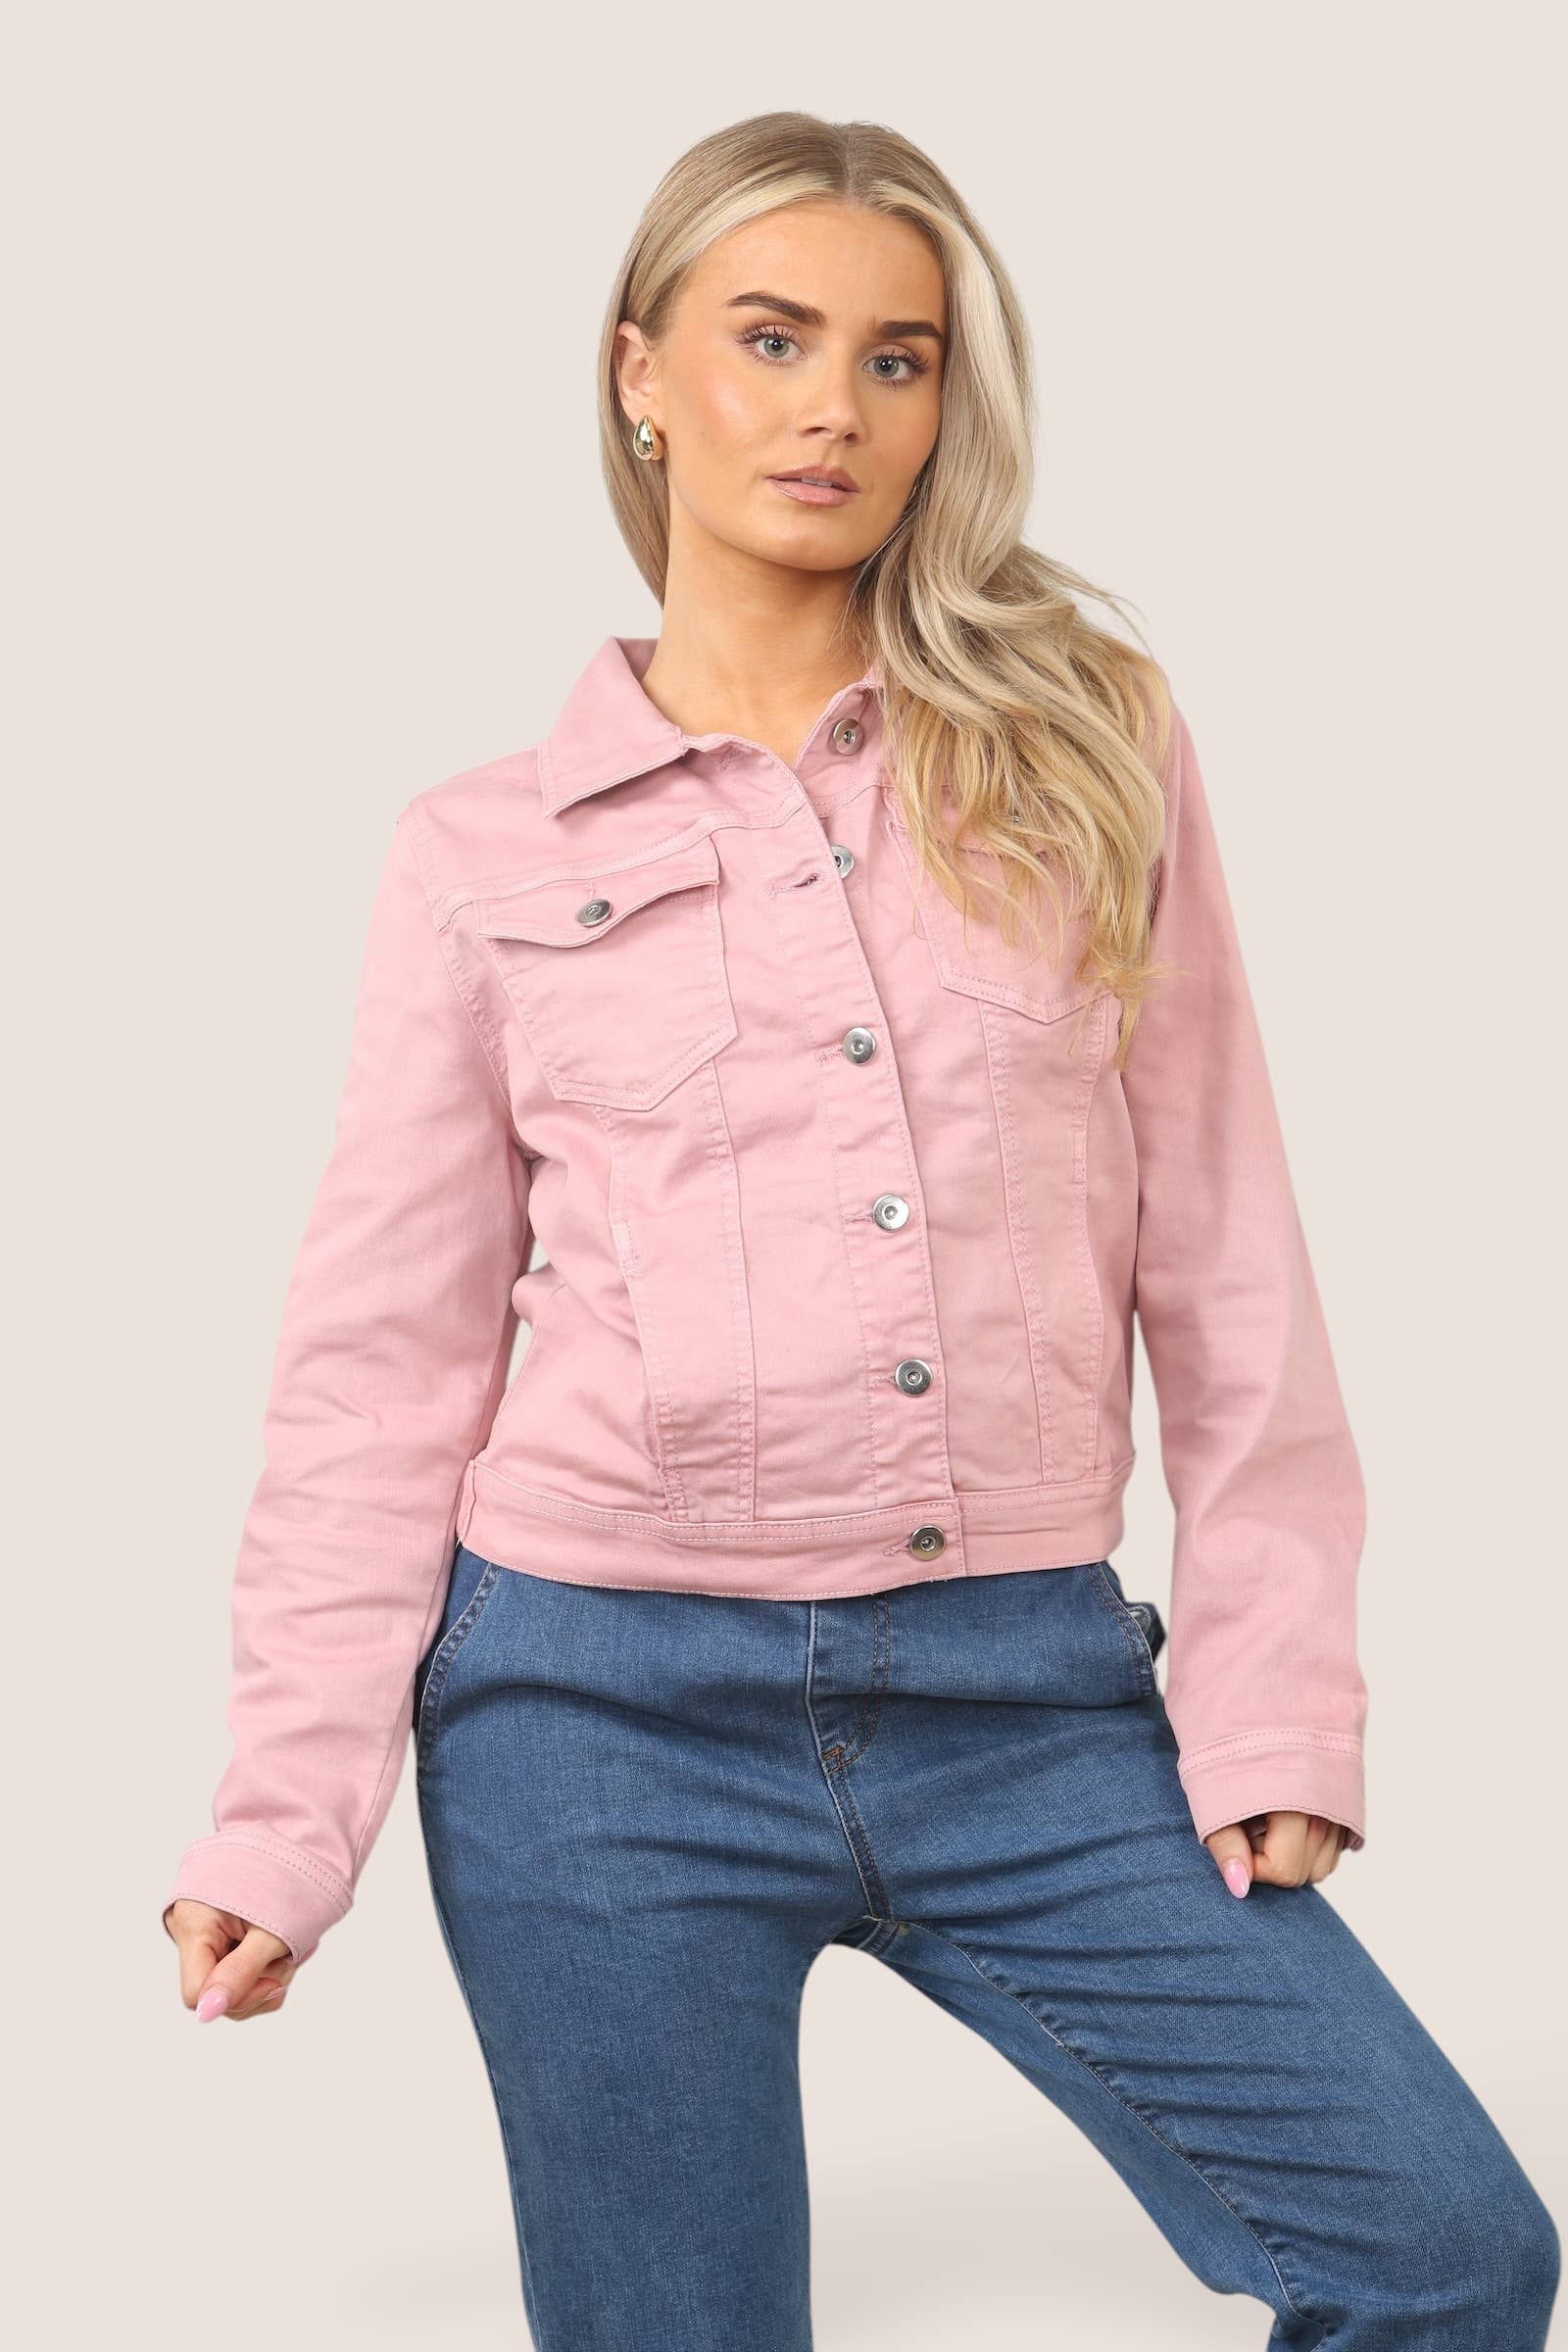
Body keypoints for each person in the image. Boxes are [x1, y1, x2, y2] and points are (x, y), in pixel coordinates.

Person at [162, 111, 1560, 2349]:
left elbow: (1227, 1256)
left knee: (1444, 2251)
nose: (833, 406)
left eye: (895, 359)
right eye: (771, 338)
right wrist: (280, 1817)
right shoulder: (479, 854)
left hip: (1031, 1699)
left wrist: (1273, 1696)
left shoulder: (1083, 748)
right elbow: (378, 1373)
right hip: (591, 1722)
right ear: (640, 373)